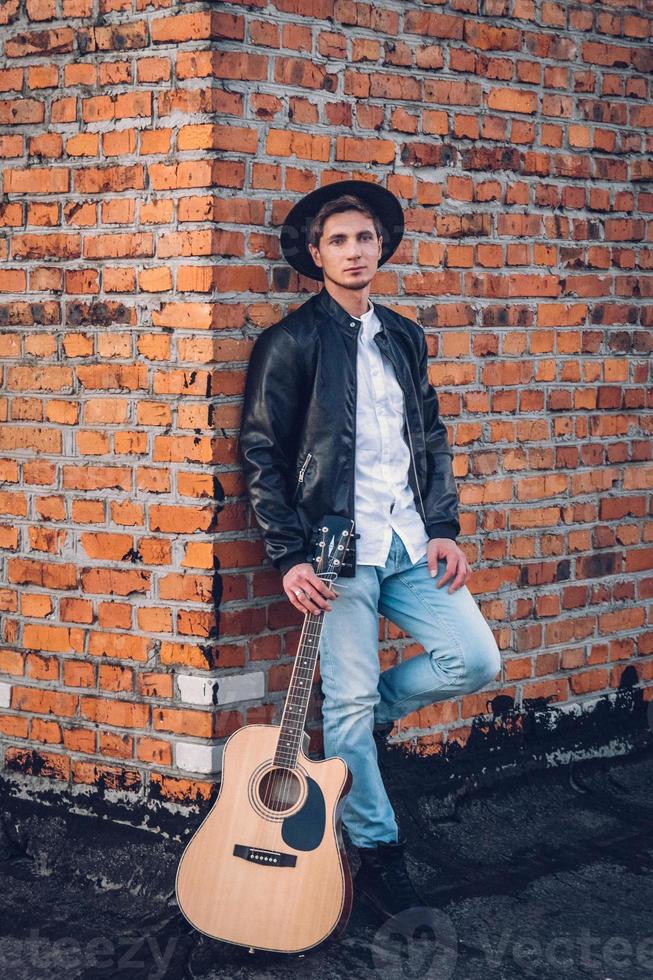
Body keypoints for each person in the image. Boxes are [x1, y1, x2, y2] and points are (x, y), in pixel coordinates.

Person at [238, 179, 501, 921]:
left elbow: (430, 435)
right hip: (334, 548)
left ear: (381, 247)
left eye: (364, 238)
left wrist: (443, 527)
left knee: (474, 660)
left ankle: (362, 718)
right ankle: (378, 852)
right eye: (338, 241)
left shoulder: (404, 334)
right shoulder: (290, 341)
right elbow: (260, 451)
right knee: (343, 701)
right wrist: (288, 554)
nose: (354, 252)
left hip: (411, 542)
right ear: (314, 256)